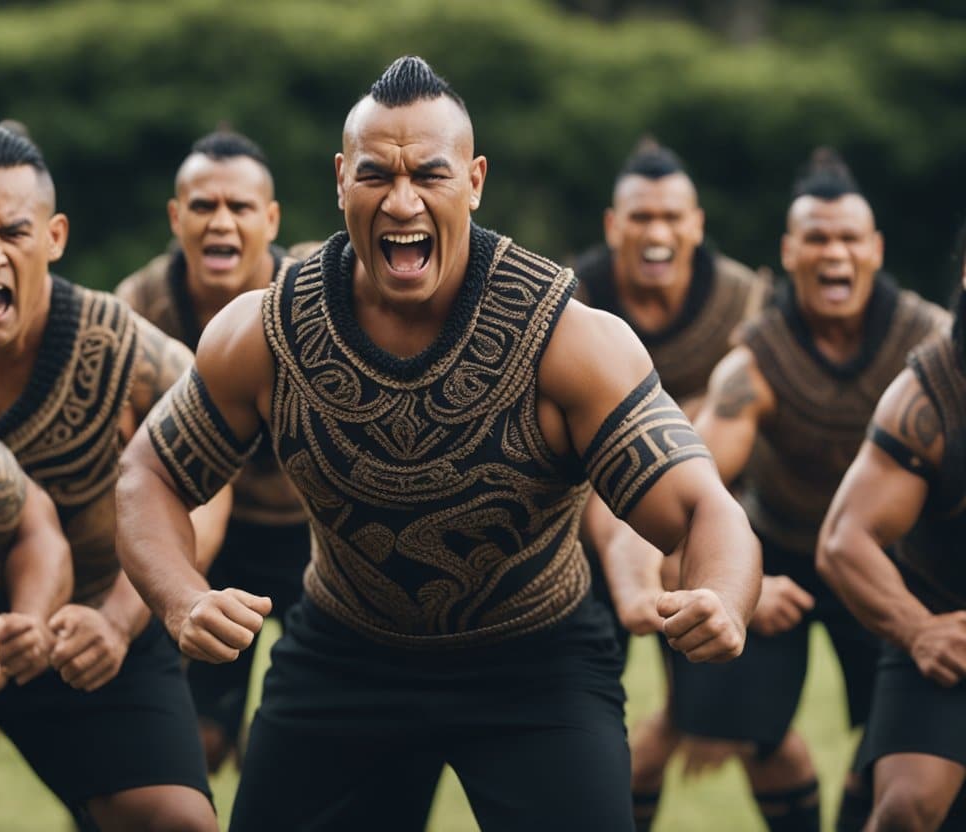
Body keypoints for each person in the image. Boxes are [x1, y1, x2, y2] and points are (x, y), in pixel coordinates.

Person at [116, 55, 761, 831]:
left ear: (476, 180)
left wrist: (722, 597)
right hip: (344, 658)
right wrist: (180, 597)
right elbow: (148, 473)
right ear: (339, 180)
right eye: (375, 176)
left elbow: (702, 508)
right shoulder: (267, 331)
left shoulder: (566, 339)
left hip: (537, 662)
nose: (402, 201)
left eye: (430, 174)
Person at [0, 124, 219, 831]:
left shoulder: (124, 348)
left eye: (15, 230)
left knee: (178, 823)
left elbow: (206, 485)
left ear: (55, 237)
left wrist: (120, 622)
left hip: (90, 624)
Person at [670, 150, 950, 832]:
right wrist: (742, 584)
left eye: (850, 237)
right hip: (780, 558)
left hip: (888, 563)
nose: (836, 252)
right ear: (790, 251)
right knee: (743, 734)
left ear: (876, 249)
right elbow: (690, 485)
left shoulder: (932, 343)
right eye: (818, 238)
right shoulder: (757, 359)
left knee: (894, 759)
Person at [573, 139, 771, 830]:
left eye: (671, 218)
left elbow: (744, 424)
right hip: (582, 535)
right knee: (589, 736)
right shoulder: (569, 296)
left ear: (697, 224)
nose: (656, 233)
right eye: (640, 218)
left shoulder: (746, 299)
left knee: (756, 739)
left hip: (710, 525)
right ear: (612, 225)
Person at [116, 129, 314, 772]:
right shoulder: (137, 311)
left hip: (319, 536)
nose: (220, 221)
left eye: (240, 207)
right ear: (177, 217)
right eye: (203, 206)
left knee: (321, 741)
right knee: (197, 742)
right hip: (201, 534)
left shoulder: (317, 295)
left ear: (271, 219)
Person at [817, 239, 966, 832]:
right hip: (947, 617)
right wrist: (920, 630)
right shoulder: (930, 397)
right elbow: (843, 539)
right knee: (909, 808)